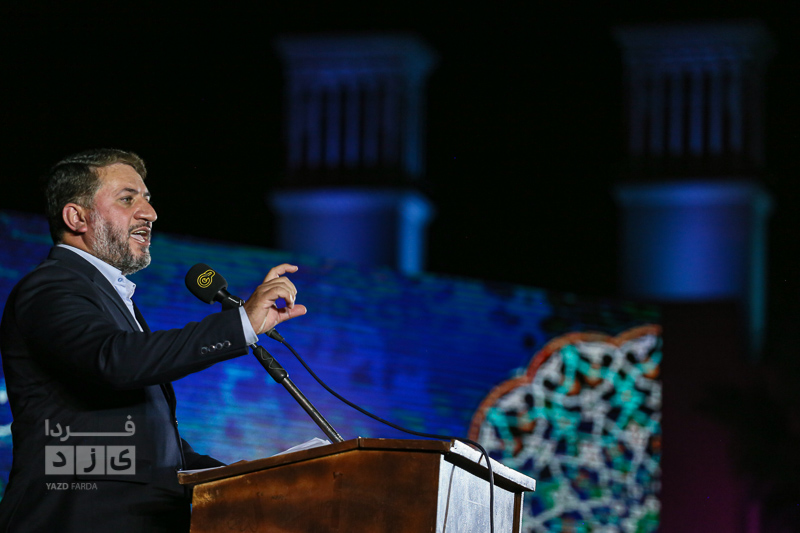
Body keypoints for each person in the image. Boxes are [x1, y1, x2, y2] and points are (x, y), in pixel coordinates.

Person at [0, 148, 306, 532]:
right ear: (76, 217)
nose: (150, 213)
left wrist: (249, 481)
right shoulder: (50, 286)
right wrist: (240, 323)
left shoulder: (112, 299)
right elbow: (114, 360)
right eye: (128, 199)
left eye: (147, 199)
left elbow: (149, 450)